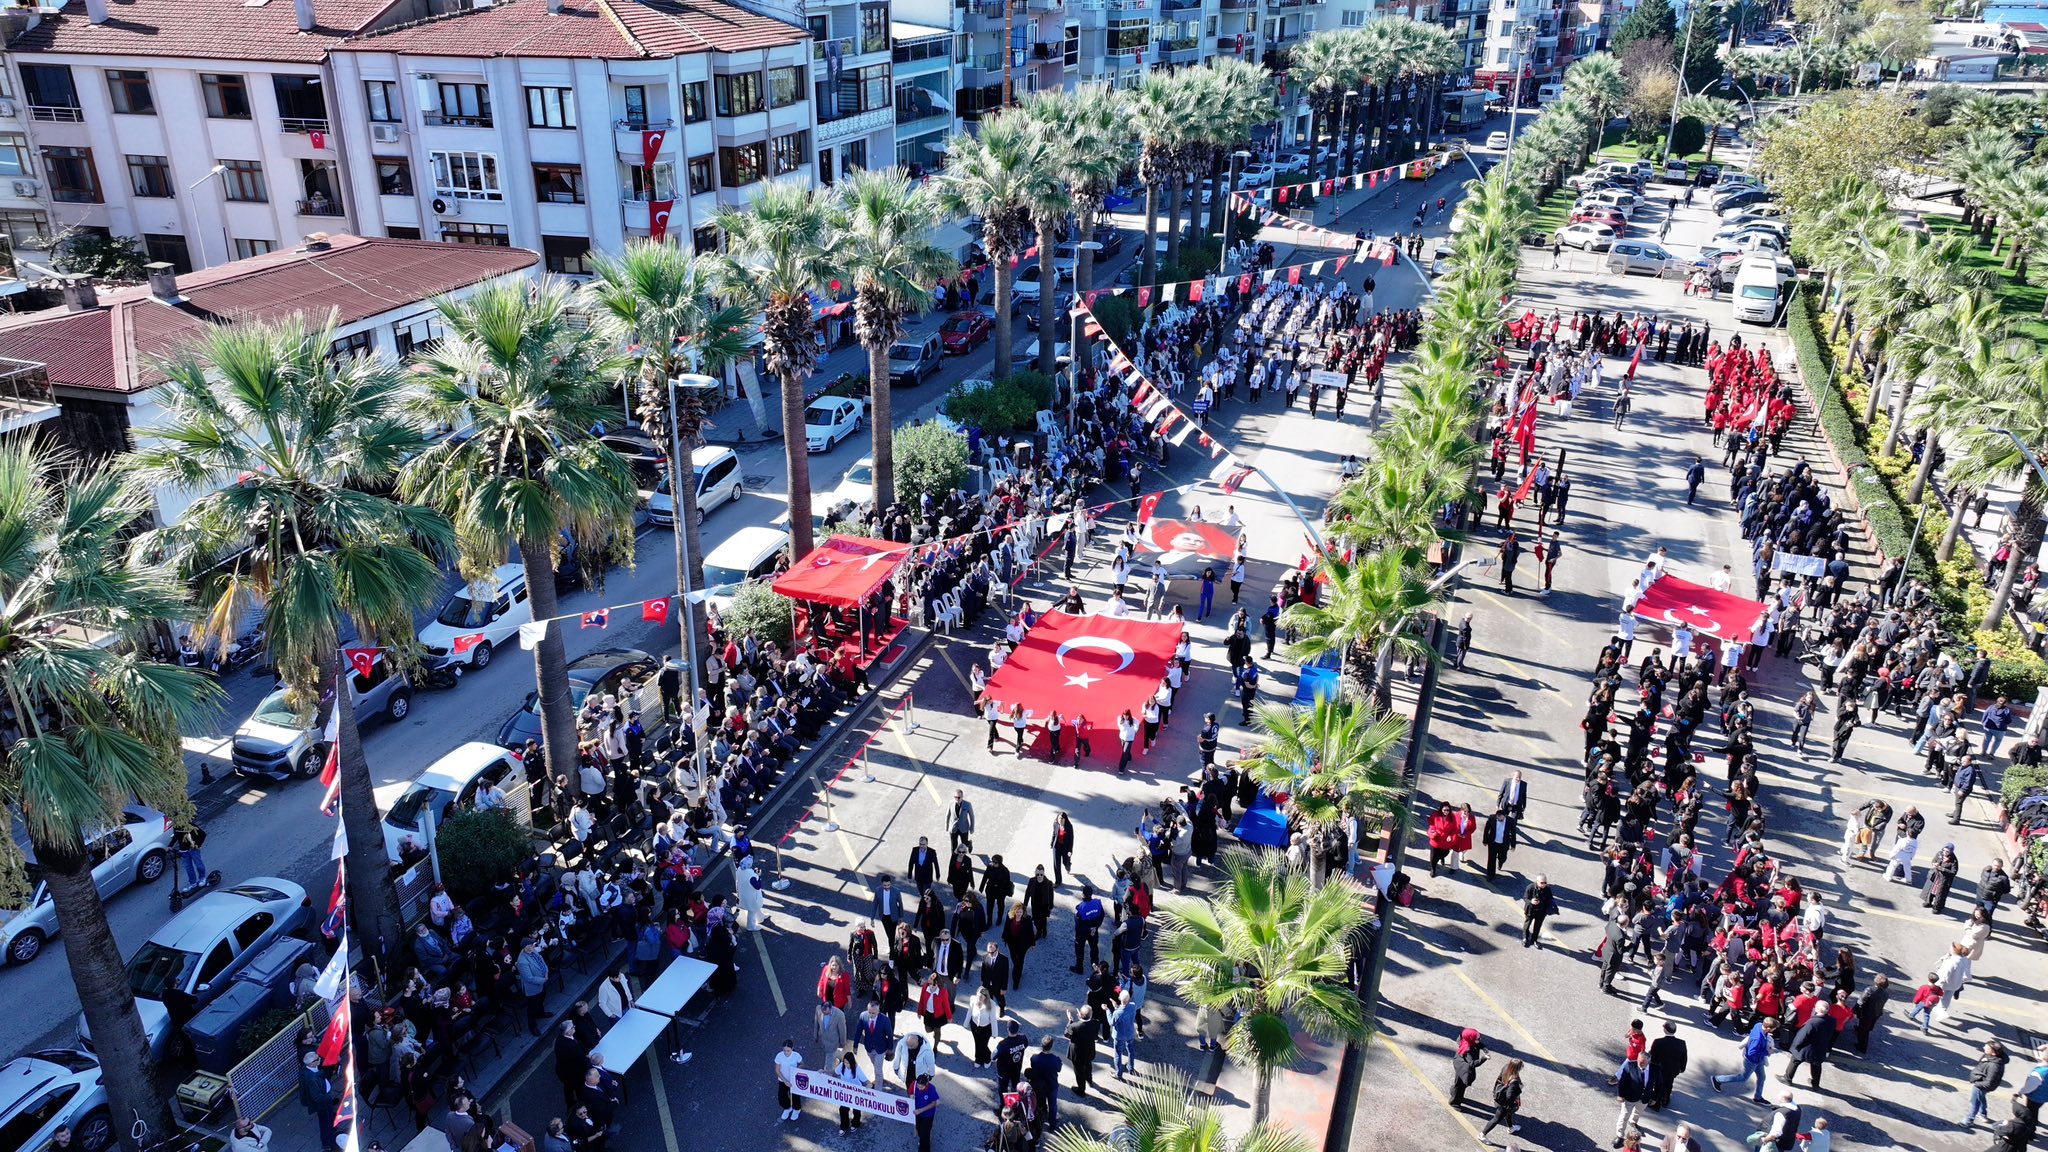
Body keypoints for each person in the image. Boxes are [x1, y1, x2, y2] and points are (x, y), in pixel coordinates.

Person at [1710, 1018, 1776, 1102]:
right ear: (1768, 1028)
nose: (1774, 1030)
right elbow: (1752, 1053)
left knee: (1762, 1077)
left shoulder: (1759, 1025)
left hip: (1759, 1060)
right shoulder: (1758, 1039)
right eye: (1774, 1029)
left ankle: (1758, 1097)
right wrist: (1767, 1052)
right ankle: (1717, 1079)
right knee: (1743, 1077)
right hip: (1751, 1061)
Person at [1614, 1051, 1656, 1148]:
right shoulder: (1630, 1066)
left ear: (1648, 1062)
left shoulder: (1655, 1069)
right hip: (1630, 1097)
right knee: (1624, 1116)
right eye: (1639, 1061)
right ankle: (1620, 1136)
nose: (1639, 1064)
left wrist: (1654, 1098)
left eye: (1642, 1063)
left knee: (1638, 1112)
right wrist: (1620, 1095)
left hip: (1644, 1098)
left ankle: (1633, 1122)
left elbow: (1659, 1084)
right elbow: (1622, 1081)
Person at [1968, 1041, 2010, 1126]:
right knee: (1981, 1098)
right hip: (1981, 1082)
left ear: (1993, 1053)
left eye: (1986, 1048)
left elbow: (1988, 1083)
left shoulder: (1994, 1066)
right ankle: (1982, 1113)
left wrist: (1976, 1083)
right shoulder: (1989, 1057)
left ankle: (1969, 1120)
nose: (1983, 1048)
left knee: (1974, 1102)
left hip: (1981, 1085)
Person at [1479, 1059, 1523, 1140]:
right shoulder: (1514, 1080)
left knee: (1508, 1114)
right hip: (1504, 1103)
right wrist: (1510, 1105)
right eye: (1521, 1066)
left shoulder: (1506, 1067)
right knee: (1496, 1119)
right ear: (1517, 1068)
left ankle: (1510, 1128)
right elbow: (1509, 1096)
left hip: (1499, 1096)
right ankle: (1482, 1134)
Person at [1648, 1021, 1686, 1110]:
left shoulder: (1658, 1042)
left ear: (1665, 1030)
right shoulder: (1681, 1043)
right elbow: (1684, 1057)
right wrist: (1682, 1068)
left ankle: (1656, 1104)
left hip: (1660, 1069)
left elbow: (1653, 1057)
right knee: (1669, 1083)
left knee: (1659, 1085)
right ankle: (1666, 1098)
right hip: (1673, 1070)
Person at [1449, 1029, 1489, 1109]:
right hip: (1463, 1069)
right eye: (1477, 1039)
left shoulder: (1466, 1040)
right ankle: (1454, 1102)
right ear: (1471, 1039)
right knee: (1460, 1086)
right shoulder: (1468, 1050)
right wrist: (1483, 1058)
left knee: (1459, 1084)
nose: (1479, 1040)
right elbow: (1472, 1064)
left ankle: (1454, 1091)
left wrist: (1483, 1047)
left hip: (1461, 1066)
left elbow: (1477, 1043)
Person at [1064, 1007, 1099, 1096]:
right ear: (1091, 1015)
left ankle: (1081, 1090)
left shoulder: (1074, 1026)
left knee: (1079, 1072)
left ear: (1079, 1015)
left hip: (1077, 1053)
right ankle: (1089, 1079)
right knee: (1088, 1065)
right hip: (1089, 1051)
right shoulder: (1096, 1023)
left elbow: (1066, 1034)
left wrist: (1070, 1021)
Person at [1522, 875, 1557, 947]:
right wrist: (1531, 901)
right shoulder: (1530, 888)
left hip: (1541, 911)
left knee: (1537, 926)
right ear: (1537, 882)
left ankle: (1534, 939)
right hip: (1530, 910)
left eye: (1545, 882)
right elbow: (1525, 898)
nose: (1544, 884)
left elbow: (1550, 898)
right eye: (1542, 882)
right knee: (1527, 924)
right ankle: (1525, 938)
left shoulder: (1547, 889)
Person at [774, 1039, 804, 1121]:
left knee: (795, 1096)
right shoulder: (779, 1056)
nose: (786, 1052)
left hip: (793, 1080)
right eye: (784, 1050)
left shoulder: (796, 1055)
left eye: (788, 1050)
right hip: (783, 1080)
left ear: (792, 1048)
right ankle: (787, 1108)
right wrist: (785, 1081)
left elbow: (802, 1064)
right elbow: (777, 1070)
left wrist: (797, 1070)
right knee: (781, 1097)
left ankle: (796, 1109)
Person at [913, 1072, 940, 1152]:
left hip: (927, 1115)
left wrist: (921, 1110)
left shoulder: (931, 1089)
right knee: (919, 1129)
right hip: (917, 1114)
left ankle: (924, 1148)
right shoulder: (914, 1085)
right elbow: (911, 1092)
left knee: (925, 1134)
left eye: (921, 1087)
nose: (919, 1089)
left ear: (927, 1084)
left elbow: (933, 1103)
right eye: (918, 1086)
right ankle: (922, 1140)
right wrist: (911, 1095)